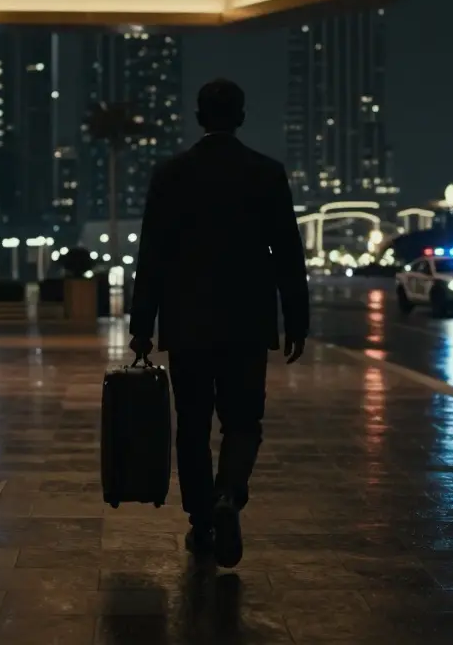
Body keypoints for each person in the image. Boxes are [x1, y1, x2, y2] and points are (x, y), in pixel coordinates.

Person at [128, 78, 310, 568]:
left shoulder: (171, 174)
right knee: (244, 420)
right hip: (247, 322)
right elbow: (287, 253)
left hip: (187, 321)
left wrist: (142, 324)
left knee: (192, 424)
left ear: (199, 117)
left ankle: (202, 520)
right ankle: (229, 493)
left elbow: (153, 255)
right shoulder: (266, 173)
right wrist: (296, 320)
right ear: (241, 116)